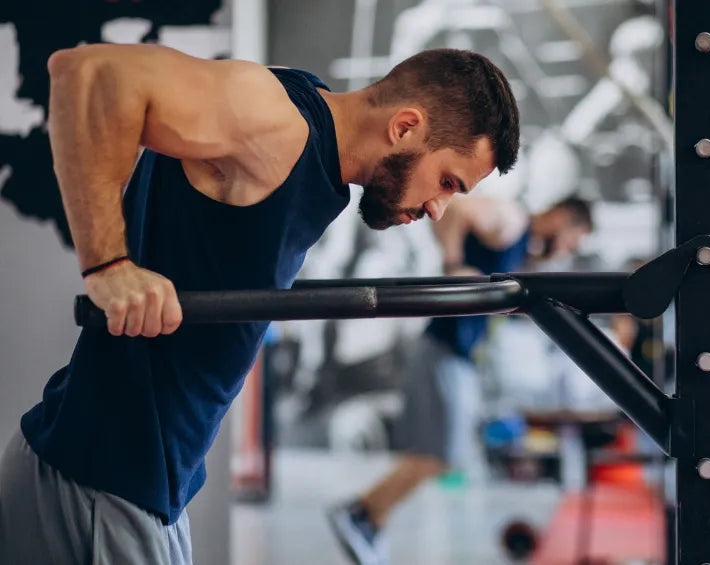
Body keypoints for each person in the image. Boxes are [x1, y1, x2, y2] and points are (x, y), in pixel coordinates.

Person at [0, 44, 520, 565]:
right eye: (448, 181)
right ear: (405, 126)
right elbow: (87, 74)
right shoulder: (279, 123)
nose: (438, 208)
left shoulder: (311, 133)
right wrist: (107, 265)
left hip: (139, 481)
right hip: (101, 481)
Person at [328, 195, 593, 565]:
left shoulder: (520, 240)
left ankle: (370, 519)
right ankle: (361, 513)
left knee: (437, 454)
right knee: (441, 455)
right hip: (445, 350)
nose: (567, 248)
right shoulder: (511, 218)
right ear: (563, 217)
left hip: (456, 354)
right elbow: (460, 208)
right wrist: (452, 263)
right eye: (572, 239)